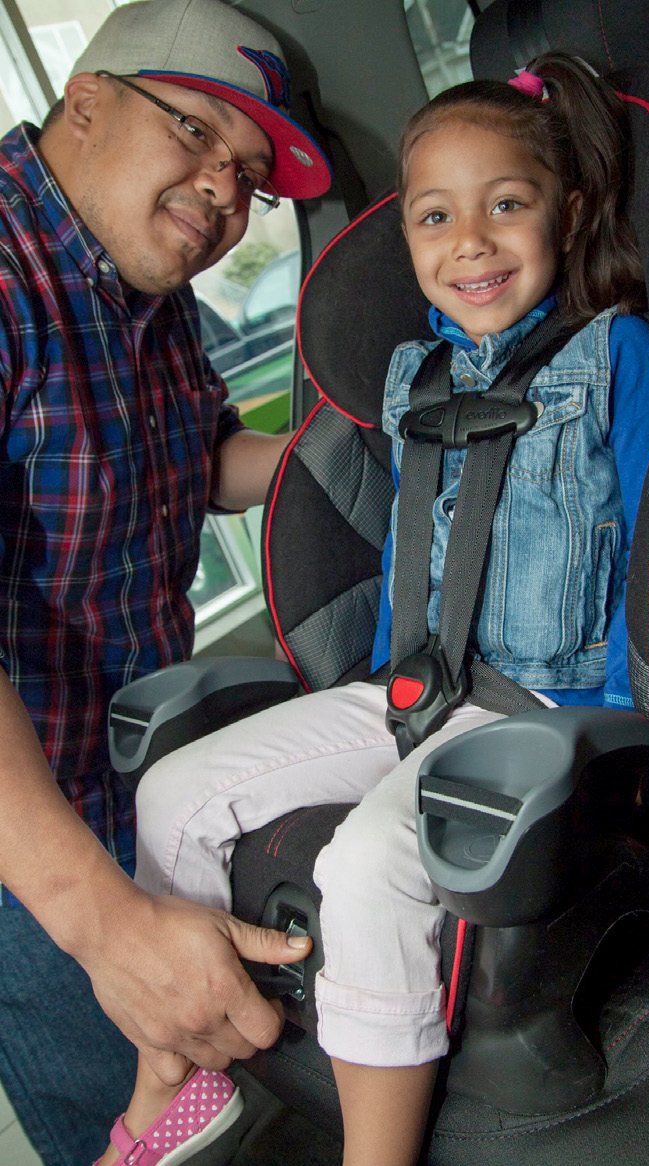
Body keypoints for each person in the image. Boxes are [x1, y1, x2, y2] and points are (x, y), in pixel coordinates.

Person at [112, 53, 649, 1166]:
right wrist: (363, 707)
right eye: (435, 216)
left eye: (505, 205)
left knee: (365, 864)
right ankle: (177, 1069)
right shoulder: (408, 376)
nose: (470, 240)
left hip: (548, 703)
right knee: (172, 793)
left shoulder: (613, 354)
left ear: (565, 212)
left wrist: (646, 715)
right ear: (407, 241)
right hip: (404, 686)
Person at [0, 0, 332, 1162]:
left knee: (207, 1117)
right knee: (135, 1130)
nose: (223, 193)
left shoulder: (148, 285)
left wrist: (352, 458)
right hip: (23, 842)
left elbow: (193, 463)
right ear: (85, 101)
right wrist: (102, 921)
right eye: (195, 131)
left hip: (130, 763)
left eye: (248, 175)